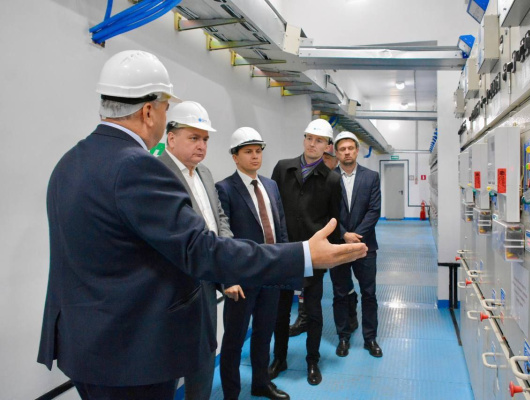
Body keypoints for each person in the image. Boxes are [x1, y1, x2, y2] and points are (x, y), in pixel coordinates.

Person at [36, 50, 367, 400]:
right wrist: (303, 255)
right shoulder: (137, 167)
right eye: (165, 110)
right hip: (129, 351)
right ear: (148, 111)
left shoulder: (70, 162)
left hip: (82, 344)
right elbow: (201, 248)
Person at [158, 101, 231, 400]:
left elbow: (219, 218)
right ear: (171, 138)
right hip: (174, 285)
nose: (201, 146)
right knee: (168, 358)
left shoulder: (205, 174)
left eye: (205, 139)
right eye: (194, 138)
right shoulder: (157, 173)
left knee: (205, 352)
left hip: (207, 278)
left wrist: (227, 258)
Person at [216, 128, 290, 400]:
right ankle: (231, 394)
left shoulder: (270, 186)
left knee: (264, 333)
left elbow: (281, 228)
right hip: (242, 279)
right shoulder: (224, 189)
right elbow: (222, 237)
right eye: (248, 151)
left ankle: (261, 383)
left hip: (271, 274)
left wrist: (285, 266)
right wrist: (228, 278)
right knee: (234, 340)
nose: (255, 156)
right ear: (235, 157)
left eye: (258, 151)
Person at [269, 119, 341, 386]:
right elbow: (272, 207)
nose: (312, 144)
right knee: (280, 311)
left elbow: (334, 221)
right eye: (309, 138)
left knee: (313, 311)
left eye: (319, 140)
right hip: (284, 251)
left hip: (314, 255)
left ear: (327, 146)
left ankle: (312, 361)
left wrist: (328, 253)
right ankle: (279, 358)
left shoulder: (332, 180)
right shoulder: (283, 168)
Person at [288, 143, 359, 337]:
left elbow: (340, 213)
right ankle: (303, 318)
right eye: (322, 158)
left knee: (343, 284)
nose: (323, 161)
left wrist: (344, 234)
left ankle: (351, 315)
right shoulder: (311, 180)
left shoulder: (334, 180)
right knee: (307, 281)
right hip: (315, 240)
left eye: (327, 158)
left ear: (335, 161)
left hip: (338, 239)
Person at [330, 131, 383, 358]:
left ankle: (370, 339)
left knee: (369, 293)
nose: (347, 152)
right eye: (342, 149)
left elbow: (374, 210)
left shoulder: (371, 177)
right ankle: (343, 337)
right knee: (340, 293)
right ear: (336, 153)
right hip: (338, 246)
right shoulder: (329, 178)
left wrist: (356, 236)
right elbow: (326, 212)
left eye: (350, 148)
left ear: (357, 150)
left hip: (365, 246)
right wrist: (344, 235)